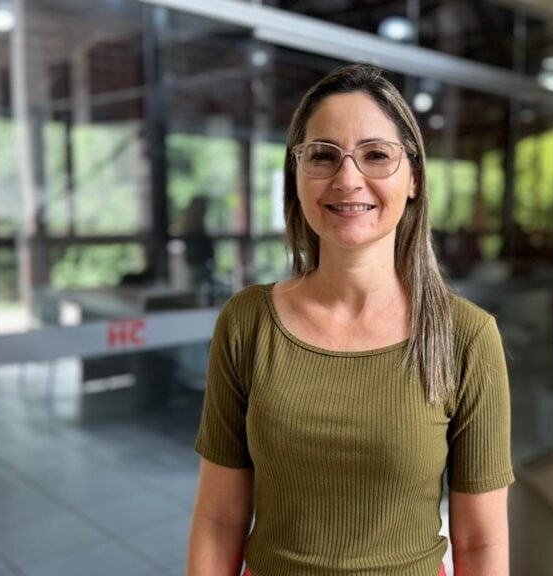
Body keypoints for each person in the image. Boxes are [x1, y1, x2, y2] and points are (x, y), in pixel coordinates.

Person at [187, 64, 514, 576]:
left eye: (376, 155)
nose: (347, 179)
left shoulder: (465, 337)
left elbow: (480, 543)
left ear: (413, 178)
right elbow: (219, 518)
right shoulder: (247, 322)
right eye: (322, 155)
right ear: (296, 176)